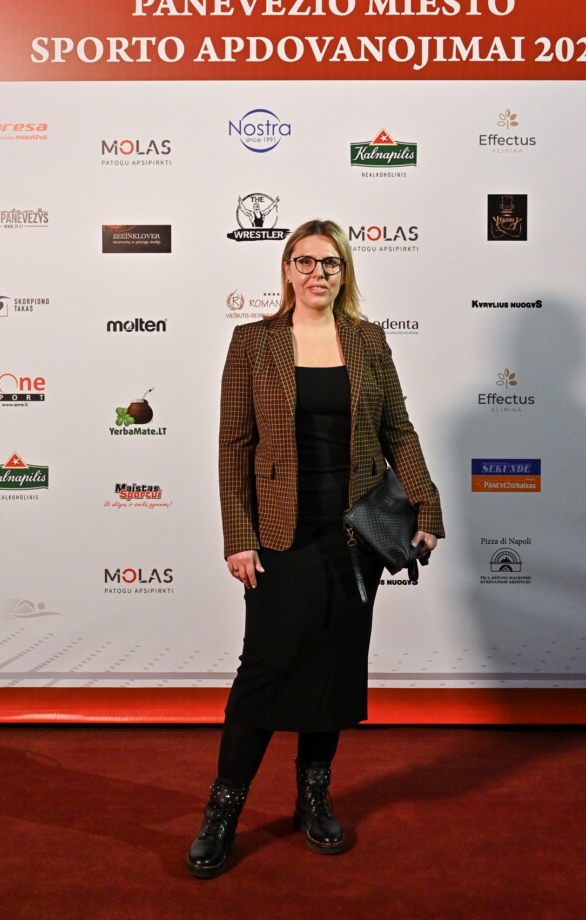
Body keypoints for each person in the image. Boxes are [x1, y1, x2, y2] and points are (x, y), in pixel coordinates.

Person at [186, 219, 444, 878]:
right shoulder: (254, 342)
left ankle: (313, 795)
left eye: (329, 263)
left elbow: (398, 430)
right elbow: (234, 446)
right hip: (281, 533)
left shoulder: (368, 340)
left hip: (355, 535)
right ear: (286, 269)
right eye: (304, 261)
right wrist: (239, 537)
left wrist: (427, 506)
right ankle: (223, 810)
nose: (316, 274)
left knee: (334, 663)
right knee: (265, 669)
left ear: (343, 271)